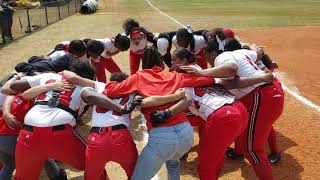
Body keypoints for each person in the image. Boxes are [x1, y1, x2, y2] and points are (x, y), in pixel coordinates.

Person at [63, 47, 216, 180]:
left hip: (162, 138)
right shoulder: (175, 75)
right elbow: (206, 80)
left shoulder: (138, 78)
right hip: (186, 134)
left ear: (144, 64)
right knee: (173, 162)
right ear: (161, 63)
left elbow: (110, 90)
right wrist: (201, 72)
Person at [181, 39, 284, 180]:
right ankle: (242, 152)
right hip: (269, 92)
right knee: (254, 126)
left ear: (213, 53)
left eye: (206, 53)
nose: (205, 57)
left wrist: (203, 73)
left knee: (253, 149)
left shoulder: (221, 58)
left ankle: (262, 156)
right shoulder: (241, 53)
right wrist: (251, 47)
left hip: (260, 95)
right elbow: (258, 52)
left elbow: (232, 74)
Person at [0, 90, 67, 180]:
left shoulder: (15, 96)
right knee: (44, 156)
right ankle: (58, 177)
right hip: (12, 137)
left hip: (2, 137)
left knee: (9, 165)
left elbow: (9, 92)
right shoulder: (36, 103)